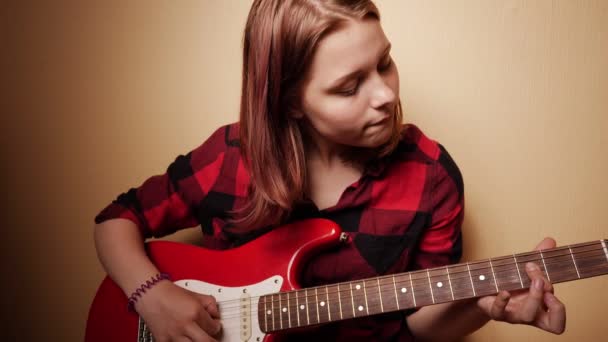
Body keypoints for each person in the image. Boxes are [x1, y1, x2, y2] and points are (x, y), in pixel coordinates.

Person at [93, 0, 566, 341]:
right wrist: (151, 297)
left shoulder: (430, 176)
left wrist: (483, 307)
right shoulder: (232, 158)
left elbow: (418, 324)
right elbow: (116, 220)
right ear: (289, 102)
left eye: (384, 63)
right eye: (348, 87)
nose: (384, 95)